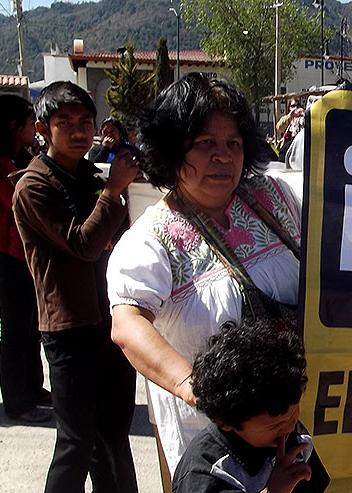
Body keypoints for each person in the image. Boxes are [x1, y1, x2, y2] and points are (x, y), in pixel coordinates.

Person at [108, 72, 303, 471]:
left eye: (233, 143)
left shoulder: (276, 197)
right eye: (205, 143)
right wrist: (195, 388)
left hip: (299, 423)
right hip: (219, 446)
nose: (224, 156)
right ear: (171, 151)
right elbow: (127, 324)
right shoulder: (152, 238)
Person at [12, 81, 145, 493]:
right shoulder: (34, 186)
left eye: (84, 123)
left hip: (109, 319)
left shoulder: (92, 174)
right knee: (75, 440)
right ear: (43, 129)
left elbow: (120, 238)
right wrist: (112, 192)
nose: (76, 131)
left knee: (113, 428)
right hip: (68, 327)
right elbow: (84, 243)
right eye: (64, 123)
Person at [173, 321, 336, 493]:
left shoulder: (295, 437)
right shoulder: (206, 469)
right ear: (226, 422)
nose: (288, 428)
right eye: (275, 425)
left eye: (294, 415)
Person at [0, 94, 51, 423]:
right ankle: (17, 403)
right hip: (10, 261)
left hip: (25, 259)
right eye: (28, 122)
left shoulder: (18, 157)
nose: (33, 128)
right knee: (16, 334)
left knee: (32, 330)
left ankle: (34, 389)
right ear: (13, 126)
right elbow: (23, 202)